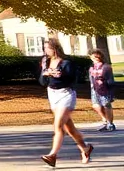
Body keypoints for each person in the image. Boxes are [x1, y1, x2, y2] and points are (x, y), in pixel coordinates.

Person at [39, 37, 91, 166]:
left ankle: (52, 155)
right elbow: (41, 82)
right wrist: (45, 75)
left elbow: (72, 79)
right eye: (45, 48)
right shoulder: (46, 61)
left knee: (58, 126)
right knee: (70, 129)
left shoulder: (66, 62)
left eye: (48, 48)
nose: (46, 51)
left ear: (55, 48)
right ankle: (86, 149)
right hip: (52, 94)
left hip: (66, 94)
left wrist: (60, 75)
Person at [90, 48, 116, 132]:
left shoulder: (106, 67)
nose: (94, 58)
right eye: (93, 56)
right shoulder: (92, 67)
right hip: (95, 89)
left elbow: (110, 80)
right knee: (95, 105)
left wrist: (110, 89)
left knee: (106, 105)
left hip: (105, 88)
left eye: (96, 56)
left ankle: (110, 124)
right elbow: (91, 78)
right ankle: (106, 121)